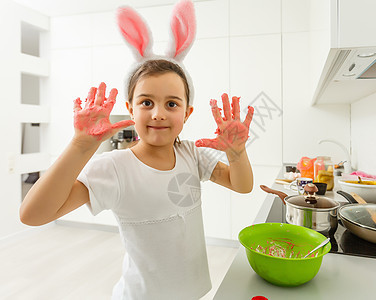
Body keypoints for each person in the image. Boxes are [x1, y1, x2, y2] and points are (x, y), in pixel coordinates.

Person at [20, 58, 254, 299]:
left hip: (191, 292)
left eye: (172, 104)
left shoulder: (192, 154)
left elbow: (242, 185)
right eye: (146, 102)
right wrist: (80, 146)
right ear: (131, 108)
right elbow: (33, 214)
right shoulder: (115, 167)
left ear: (187, 113)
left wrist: (237, 153)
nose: (158, 114)